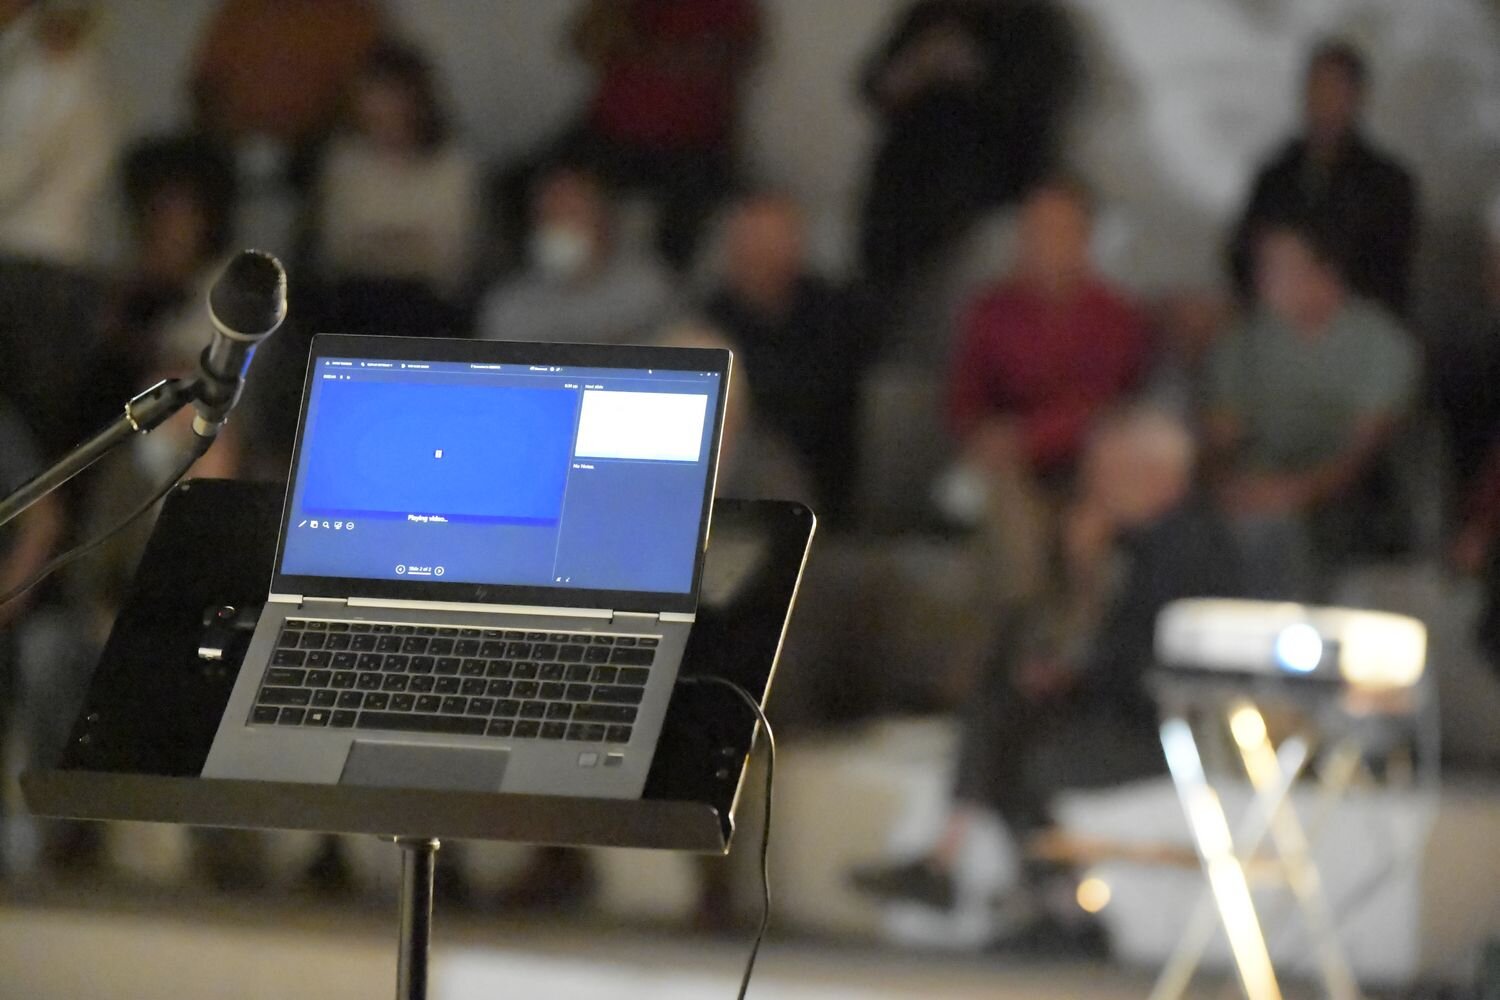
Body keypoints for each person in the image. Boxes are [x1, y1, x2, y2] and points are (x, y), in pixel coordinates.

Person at [851, 407, 1242, 933]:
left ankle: (1055, 899)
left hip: (1163, 731)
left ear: (1158, 477)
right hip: (1109, 709)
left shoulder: (1189, 552)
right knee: (998, 708)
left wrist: (1075, 670)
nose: (1095, 489)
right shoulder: (1126, 543)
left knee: (1032, 761)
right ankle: (956, 865)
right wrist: (1079, 575)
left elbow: (1151, 665)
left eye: (1108, 475)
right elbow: (1047, 626)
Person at [946, 177, 1149, 606]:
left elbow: (1104, 406)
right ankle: (1016, 631)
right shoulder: (991, 311)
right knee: (1009, 522)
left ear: (1084, 238)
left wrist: (1029, 437)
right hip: (1008, 469)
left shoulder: (1113, 316)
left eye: (1059, 230)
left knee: (1091, 531)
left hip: (1088, 468)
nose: (1044, 243)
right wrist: (984, 436)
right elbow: (964, 400)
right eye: (1034, 229)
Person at [1206, 217, 1420, 599]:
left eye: (1281, 268)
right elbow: (1221, 437)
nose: (1265, 280)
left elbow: (1362, 453)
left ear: (1325, 273)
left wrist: (1291, 493)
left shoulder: (1381, 343)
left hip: (1349, 501)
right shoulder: (1241, 344)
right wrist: (1235, 488)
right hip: (1254, 489)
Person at [508, 0, 761, 273]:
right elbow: (580, 42)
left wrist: (647, 51)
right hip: (608, 135)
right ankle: (537, 280)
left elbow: (733, 55)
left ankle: (655, 291)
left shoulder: (727, 7)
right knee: (515, 185)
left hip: (690, 147)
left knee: (682, 227)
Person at [858, 0, 1080, 292]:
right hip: (907, 171)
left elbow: (1031, 109)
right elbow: (871, 87)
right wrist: (916, 67)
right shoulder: (930, 14)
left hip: (992, 174)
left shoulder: (1035, 23)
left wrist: (969, 73)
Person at [703, 193, 876, 526]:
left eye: (774, 242)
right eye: (753, 244)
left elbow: (832, 400)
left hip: (825, 469)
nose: (764, 256)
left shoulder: (835, 314)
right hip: (741, 476)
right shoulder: (711, 321)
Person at [1227, 39, 1418, 317]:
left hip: (1355, 324)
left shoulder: (1388, 183)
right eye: (1316, 86)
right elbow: (1242, 254)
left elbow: (1388, 271)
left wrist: (1321, 291)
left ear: (1356, 96)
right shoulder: (1275, 175)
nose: (1323, 98)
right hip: (1277, 319)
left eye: (1334, 87)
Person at [0, 0, 117, 452]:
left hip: (35, 273)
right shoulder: (54, 70)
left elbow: (14, 169)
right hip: (46, 270)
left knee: (28, 422)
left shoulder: (63, 80)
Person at [313, 40, 480, 337]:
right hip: (355, 299)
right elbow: (337, 250)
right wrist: (407, 244)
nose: (379, 108)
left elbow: (451, 258)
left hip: (432, 303)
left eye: (390, 96)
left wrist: (380, 244)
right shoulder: (344, 161)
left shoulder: (453, 164)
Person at [479, 165, 677, 345]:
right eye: (550, 214)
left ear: (603, 221)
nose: (561, 226)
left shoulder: (648, 289)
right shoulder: (508, 307)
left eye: (573, 213)